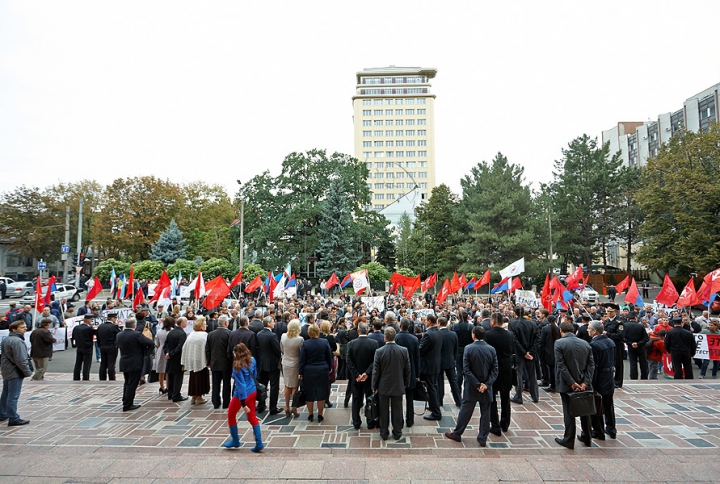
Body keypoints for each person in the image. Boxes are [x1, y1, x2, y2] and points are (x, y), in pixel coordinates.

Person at [444, 325, 498, 447]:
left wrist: (477, 384)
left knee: (465, 410)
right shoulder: (491, 349)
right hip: (486, 386)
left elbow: (466, 370)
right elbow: (495, 370)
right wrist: (487, 384)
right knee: (485, 412)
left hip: (472, 386)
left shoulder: (468, 348)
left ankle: (457, 433)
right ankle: (483, 437)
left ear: (473, 335)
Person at [554, 321, 595, 449]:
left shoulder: (559, 343)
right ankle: (587, 437)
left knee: (569, 412)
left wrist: (572, 382)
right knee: (585, 410)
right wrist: (585, 382)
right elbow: (591, 364)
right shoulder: (585, 343)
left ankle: (569, 439)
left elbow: (561, 365)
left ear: (561, 330)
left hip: (567, 383)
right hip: (583, 382)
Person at [222, 343, 264, 452]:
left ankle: (235, 440)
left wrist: (243, 403)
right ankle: (259, 442)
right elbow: (254, 374)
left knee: (231, 415)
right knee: (252, 417)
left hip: (241, 395)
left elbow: (241, 385)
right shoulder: (252, 360)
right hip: (253, 391)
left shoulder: (237, 366)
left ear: (236, 354)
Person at [372, 327, 410, 441]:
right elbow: (408, 369)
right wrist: (405, 383)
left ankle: (384, 432)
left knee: (383, 411)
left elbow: (376, 371)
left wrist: (374, 386)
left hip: (383, 385)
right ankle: (397, 432)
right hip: (398, 384)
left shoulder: (379, 351)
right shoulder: (403, 350)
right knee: (397, 410)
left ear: (385, 338)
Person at [485, 311, 515, 436]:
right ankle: (505, 423)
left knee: (492, 399)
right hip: (507, 369)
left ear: (492, 322)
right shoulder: (510, 335)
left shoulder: (488, 335)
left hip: (493, 369)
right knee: (505, 397)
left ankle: (495, 426)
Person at [115, 317, 154, 411]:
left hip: (124, 361)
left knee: (127, 382)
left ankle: (125, 400)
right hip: (135, 362)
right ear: (134, 326)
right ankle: (128, 404)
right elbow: (150, 342)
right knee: (133, 383)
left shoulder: (119, 334)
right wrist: (147, 353)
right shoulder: (136, 334)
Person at [346, 322, 379, 429]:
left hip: (356, 378)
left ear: (358, 331)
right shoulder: (374, 343)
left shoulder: (351, 343)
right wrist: (367, 373)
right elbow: (375, 361)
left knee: (356, 399)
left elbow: (349, 360)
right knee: (370, 398)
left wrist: (356, 374)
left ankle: (356, 422)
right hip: (368, 378)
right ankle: (370, 421)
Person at [0, 320, 33, 426]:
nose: (25, 328)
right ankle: (13, 417)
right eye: (22, 327)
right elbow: (21, 359)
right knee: (13, 395)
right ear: (14, 329)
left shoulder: (7, 339)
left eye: (25, 326)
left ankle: (3, 413)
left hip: (7, 369)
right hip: (15, 370)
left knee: (6, 393)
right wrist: (27, 372)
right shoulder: (17, 341)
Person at [588, 320, 616, 440]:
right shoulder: (610, 341)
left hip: (600, 378)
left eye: (589, 328)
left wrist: (591, 384)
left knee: (597, 405)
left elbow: (594, 366)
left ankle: (598, 430)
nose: (587, 330)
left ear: (595, 331)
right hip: (609, 377)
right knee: (608, 404)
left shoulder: (594, 345)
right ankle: (611, 428)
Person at [298, 324, 333, 422]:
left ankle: (310, 414)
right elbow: (329, 357)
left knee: (309, 392)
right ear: (318, 331)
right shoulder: (324, 342)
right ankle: (320, 414)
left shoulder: (305, 344)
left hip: (308, 370)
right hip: (322, 369)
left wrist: (300, 372)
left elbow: (302, 360)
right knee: (321, 391)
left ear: (309, 333)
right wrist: (330, 368)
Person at [508, 306, 540, 404]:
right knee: (532, 375)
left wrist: (525, 353)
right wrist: (530, 352)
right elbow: (538, 339)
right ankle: (535, 396)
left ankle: (518, 396)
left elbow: (514, 340)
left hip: (519, 354)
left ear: (515, 313)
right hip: (530, 354)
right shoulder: (533, 323)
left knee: (519, 375)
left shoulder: (512, 324)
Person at [395, 317, 420, 428]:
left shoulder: (396, 338)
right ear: (409, 327)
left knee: (398, 399)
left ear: (400, 326)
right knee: (410, 398)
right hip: (411, 372)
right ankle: (410, 420)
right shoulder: (414, 339)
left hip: (398, 372)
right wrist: (418, 374)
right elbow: (417, 358)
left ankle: (399, 421)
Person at [419, 313, 443, 420]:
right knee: (434, 386)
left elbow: (421, 350)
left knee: (431, 388)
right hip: (435, 363)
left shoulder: (428, 334)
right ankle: (434, 406)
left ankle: (436, 413)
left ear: (429, 321)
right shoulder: (438, 332)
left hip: (428, 366)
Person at [256, 315, 282, 415]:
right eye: (272, 322)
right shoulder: (272, 336)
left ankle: (261, 405)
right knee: (274, 386)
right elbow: (277, 350)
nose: (274, 323)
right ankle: (273, 407)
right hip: (272, 364)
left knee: (262, 385)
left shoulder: (259, 334)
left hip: (262, 363)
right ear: (268, 323)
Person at [181, 317, 210, 405]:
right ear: (201, 326)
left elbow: (185, 347)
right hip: (201, 360)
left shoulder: (192, 334)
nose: (206, 326)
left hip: (192, 359)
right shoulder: (204, 335)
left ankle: (194, 395)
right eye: (205, 324)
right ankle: (199, 397)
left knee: (193, 378)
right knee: (201, 379)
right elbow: (207, 349)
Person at [206, 315, 232, 409]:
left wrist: (208, 361)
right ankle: (226, 403)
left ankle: (216, 402)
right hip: (226, 363)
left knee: (215, 383)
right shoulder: (229, 334)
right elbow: (230, 349)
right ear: (226, 323)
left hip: (214, 362)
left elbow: (207, 350)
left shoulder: (211, 334)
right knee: (226, 383)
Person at [281, 320, 304, 418]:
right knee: (295, 386)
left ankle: (287, 407)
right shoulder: (300, 339)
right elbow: (302, 352)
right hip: (295, 363)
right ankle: (294, 407)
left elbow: (282, 349)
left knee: (287, 385)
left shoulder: (283, 336)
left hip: (285, 363)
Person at [437, 317, 461, 407]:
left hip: (439, 361)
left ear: (439, 323)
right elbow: (456, 348)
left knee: (439, 382)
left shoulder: (438, 334)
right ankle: (458, 400)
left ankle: (439, 401)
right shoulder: (453, 334)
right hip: (450, 360)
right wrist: (453, 358)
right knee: (453, 382)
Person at [164, 316, 189, 402]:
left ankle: (170, 393)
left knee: (171, 377)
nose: (187, 323)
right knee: (178, 378)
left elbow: (166, 344)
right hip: (177, 358)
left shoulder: (171, 332)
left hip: (170, 358)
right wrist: (170, 354)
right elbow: (180, 347)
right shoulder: (182, 334)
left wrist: (167, 353)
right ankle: (176, 395)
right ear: (181, 324)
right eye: (186, 322)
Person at [452, 309, 474, 395]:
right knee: (467, 370)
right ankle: (467, 390)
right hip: (469, 350)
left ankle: (457, 390)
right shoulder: (471, 327)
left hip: (458, 350)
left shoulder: (454, 326)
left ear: (458, 317)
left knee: (459, 370)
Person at [623, 311, 649, 380]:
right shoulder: (640, 326)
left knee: (633, 363)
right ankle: (644, 377)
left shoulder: (625, 326)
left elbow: (623, 338)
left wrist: (631, 343)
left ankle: (633, 378)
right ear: (635, 318)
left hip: (631, 347)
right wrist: (638, 343)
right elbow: (646, 338)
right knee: (643, 363)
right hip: (641, 347)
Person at [603, 307, 625, 388]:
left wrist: (607, 334)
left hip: (616, 345)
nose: (608, 313)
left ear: (615, 312)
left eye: (610, 311)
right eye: (608, 311)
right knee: (609, 363)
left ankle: (618, 381)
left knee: (618, 364)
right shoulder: (607, 321)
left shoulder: (619, 322)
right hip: (608, 345)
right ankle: (610, 380)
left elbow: (620, 335)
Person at [97, 311, 121, 381]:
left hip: (102, 346)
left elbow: (98, 336)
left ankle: (102, 378)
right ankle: (112, 378)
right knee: (111, 364)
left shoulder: (101, 326)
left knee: (103, 363)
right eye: (115, 318)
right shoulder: (113, 327)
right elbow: (119, 334)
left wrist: (100, 345)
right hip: (111, 346)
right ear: (112, 318)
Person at [539, 315, 561, 393]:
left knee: (550, 369)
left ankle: (552, 386)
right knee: (553, 369)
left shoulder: (545, 329)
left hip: (547, 352)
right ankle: (554, 385)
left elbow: (542, 341)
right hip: (556, 351)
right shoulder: (558, 329)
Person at [153, 317, 175, 395]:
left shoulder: (159, 331)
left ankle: (162, 386)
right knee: (168, 371)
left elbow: (157, 343)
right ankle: (168, 387)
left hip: (160, 350)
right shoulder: (172, 331)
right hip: (169, 350)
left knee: (161, 370)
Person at [73, 314, 96, 381]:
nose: (91, 321)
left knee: (78, 363)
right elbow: (96, 333)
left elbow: (73, 336)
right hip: (87, 347)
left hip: (79, 347)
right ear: (88, 320)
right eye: (91, 320)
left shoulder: (76, 327)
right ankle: (85, 377)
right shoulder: (89, 328)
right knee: (87, 363)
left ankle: (76, 377)